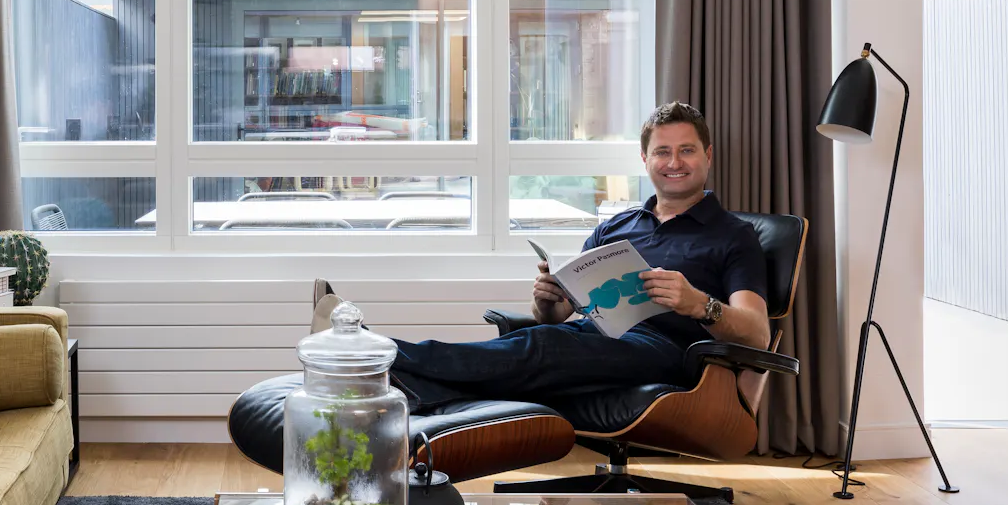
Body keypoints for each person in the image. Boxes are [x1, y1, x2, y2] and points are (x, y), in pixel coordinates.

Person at [317, 102, 770, 422]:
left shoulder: (732, 235)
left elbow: (757, 331)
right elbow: (562, 313)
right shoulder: (619, 226)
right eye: (663, 152)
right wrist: (550, 301)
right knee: (541, 335)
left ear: (708, 156)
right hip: (591, 337)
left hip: (667, 354)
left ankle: (370, 351)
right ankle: (401, 386)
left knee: (540, 347)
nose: (675, 162)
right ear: (645, 159)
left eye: (687, 150)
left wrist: (698, 305)